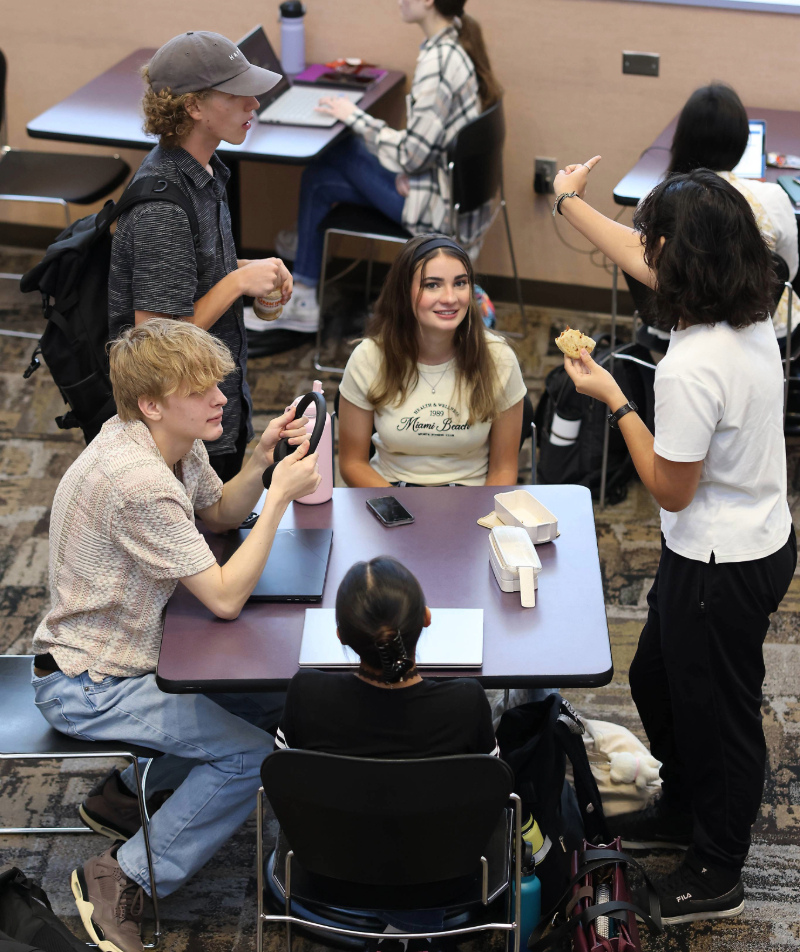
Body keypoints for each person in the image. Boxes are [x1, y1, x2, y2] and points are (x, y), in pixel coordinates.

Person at [550, 160, 796, 925]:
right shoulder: (755, 299)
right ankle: (685, 808)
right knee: (658, 679)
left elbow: (670, 487)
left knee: (717, 713)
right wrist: (566, 201)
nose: (643, 252)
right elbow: (634, 247)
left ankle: (719, 867)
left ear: (676, 260)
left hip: (720, 563)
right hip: (746, 539)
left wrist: (615, 397)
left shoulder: (691, 366)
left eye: (654, 242)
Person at [31, 319, 320, 952]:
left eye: (217, 384)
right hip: (92, 684)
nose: (220, 399)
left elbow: (216, 512)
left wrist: (258, 462)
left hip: (133, 656)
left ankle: (133, 795)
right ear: (152, 403)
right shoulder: (136, 482)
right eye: (201, 390)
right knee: (250, 755)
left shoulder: (166, 442)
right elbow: (222, 597)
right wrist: (277, 500)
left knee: (276, 705)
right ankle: (119, 876)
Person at [269, 0, 503, 334]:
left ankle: (304, 279)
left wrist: (354, 117)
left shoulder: (438, 64)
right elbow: (427, 147)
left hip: (437, 210)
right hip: (444, 188)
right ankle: (305, 284)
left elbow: (412, 154)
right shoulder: (454, 44)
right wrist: (408, 166)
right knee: (319, 176)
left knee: (342, 146)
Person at [108, 30, 294, 481]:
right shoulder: (163, 208)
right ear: (193, 107)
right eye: (237, 95)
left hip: (210, 410)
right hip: (178, 430)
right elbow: (154, 341)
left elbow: (189, 278)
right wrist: (236, 284)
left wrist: (243, 270)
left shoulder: (206, 173)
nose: (254, 105)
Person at [337, 235, 526, 487]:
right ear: (404, 293)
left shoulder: (499, 359)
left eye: (460, 283)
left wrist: (482, 519)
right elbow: (352, 464)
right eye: (432, 285)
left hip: (471, 500)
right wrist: (401, 512)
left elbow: (503, 470)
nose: (450, 297)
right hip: (389, 494)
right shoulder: (368, 357)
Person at [276, 556, 498, 757]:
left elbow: (284, 774)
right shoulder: (467, 704)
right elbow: (491, 783)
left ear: (341, 635)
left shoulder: (305, 695)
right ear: (426, 617)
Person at [668, 82, 799, 342]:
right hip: (759, 330)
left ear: (682, 138)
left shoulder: (655, 201)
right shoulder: (770, 199)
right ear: (741, 142)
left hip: (677, 326)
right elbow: (787, 272)